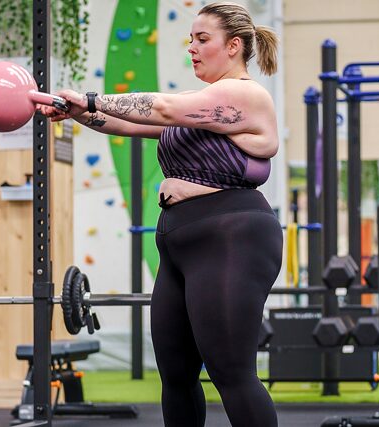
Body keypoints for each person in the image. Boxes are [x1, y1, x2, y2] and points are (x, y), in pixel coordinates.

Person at [39, 2, 281, 425]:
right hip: (178, 241)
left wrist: (91, 97)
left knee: (230, 372)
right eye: (190, 39)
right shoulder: (198, 102)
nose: (192, 48)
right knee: (175, 374)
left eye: (202, 39)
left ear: (235, 46)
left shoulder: (246, 94)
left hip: (230, 237)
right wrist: (81, 113)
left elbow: (162, 109)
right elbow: (133, 124)